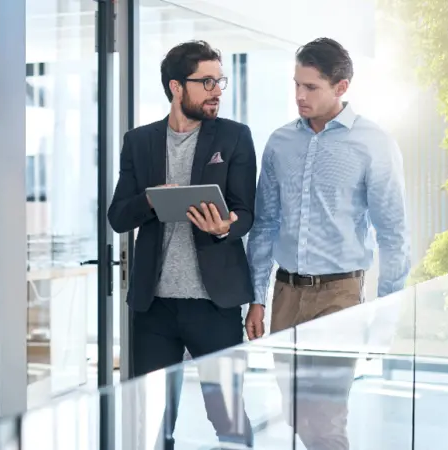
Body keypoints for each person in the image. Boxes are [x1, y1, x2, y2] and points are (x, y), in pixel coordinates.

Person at [245, 37, 411, 449]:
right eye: (296, 85)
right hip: (285, 295)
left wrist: (386, 314)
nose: (299, 96)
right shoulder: (280, 142)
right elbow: (264, 224)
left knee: (326, 419)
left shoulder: (373, 143)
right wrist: (257, 299)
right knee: (297, 414)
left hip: (339, 297)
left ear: (342, 87)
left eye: (311, 87)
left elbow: (392, 233)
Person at [108, 40, 256, 449]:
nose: (217, 90)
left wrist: (225, 226)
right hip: (154, 306)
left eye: (219, 80)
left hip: (214, 303)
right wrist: (151, 200)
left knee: (227, 417)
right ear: (176, 87)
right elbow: (118, 215)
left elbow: (247, 211)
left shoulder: (235, 137)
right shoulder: (139, 142)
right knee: (151, 423)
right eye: (206, 81)